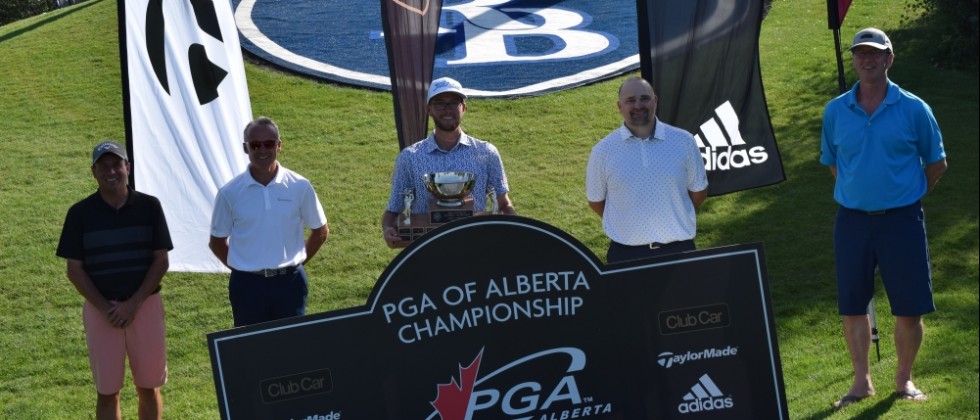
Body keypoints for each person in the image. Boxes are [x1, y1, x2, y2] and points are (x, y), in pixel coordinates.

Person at [820, 28, 947, 408]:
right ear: (855, 59)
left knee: (909, 306)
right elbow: (834, 164)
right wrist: (862, 192)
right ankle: (861, 383)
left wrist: (906, 196)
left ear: (890, 59)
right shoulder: (835, 111)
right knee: (852, 305)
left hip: (902, 221)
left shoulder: (914, 108)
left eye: (875, 54)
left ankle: (904, 379)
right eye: (861, 54)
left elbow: (937, 164)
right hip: (853, 221)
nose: (867, 60)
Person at [56, 141, 173, 420]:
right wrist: (106, 308)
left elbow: (161, 261)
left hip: (145, 306)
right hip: (101, 312)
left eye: (117, 164)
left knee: (149, 386)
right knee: (107, 391)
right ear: (93, 172)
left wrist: (133, 304)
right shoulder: (79, 214)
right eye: (103, 166)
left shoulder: (150, 206)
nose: (111, 171)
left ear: (127, 168)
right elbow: (74, 270)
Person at [209, 117, 329, 327]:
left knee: (292, 350)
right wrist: (244, 267)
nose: (262, 150)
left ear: (279, 145)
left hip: (290, 284)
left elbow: (320, 231)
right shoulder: (229, 193)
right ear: (245, 148)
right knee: (251, 352)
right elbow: (217, 242)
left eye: (269, 143)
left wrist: (296, 262)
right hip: (247, 287)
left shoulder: (299, 186)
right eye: (255, 144)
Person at [381, 77, 516, 247]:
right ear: (429, 109)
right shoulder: (410, 157)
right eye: (440, 103)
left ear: (464, 107)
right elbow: (393, 210)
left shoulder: (486, 153)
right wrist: (388, 229)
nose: (447, 110)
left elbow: (503, 204)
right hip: (427, 251)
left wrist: (513, 233)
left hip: (477, 247)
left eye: (454, 103)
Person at [586, 77, 708, 263]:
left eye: (644, 98)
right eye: (630, 101)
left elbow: (698, 192)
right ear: (619, 106)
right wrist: (627, 218)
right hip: (626, 255)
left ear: (655, 101)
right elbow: (596, 201)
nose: (638, 105)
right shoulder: (603, 151)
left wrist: (675, 212)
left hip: (680, 250)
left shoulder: (684, 141)